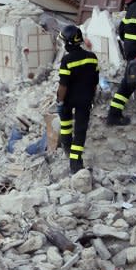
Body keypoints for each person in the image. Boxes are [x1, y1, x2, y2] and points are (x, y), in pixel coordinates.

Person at [56, 25, 99, 174]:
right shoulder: (92, 58)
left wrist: (59, 101)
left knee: (66, 125)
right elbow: (95, 82)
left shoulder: (67, 60)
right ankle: (76, 164)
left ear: (68, 43)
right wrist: (91, 98)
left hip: (68, 100)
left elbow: (63, 85)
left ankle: (67, 149)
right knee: (80, 132)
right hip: (85, 100)